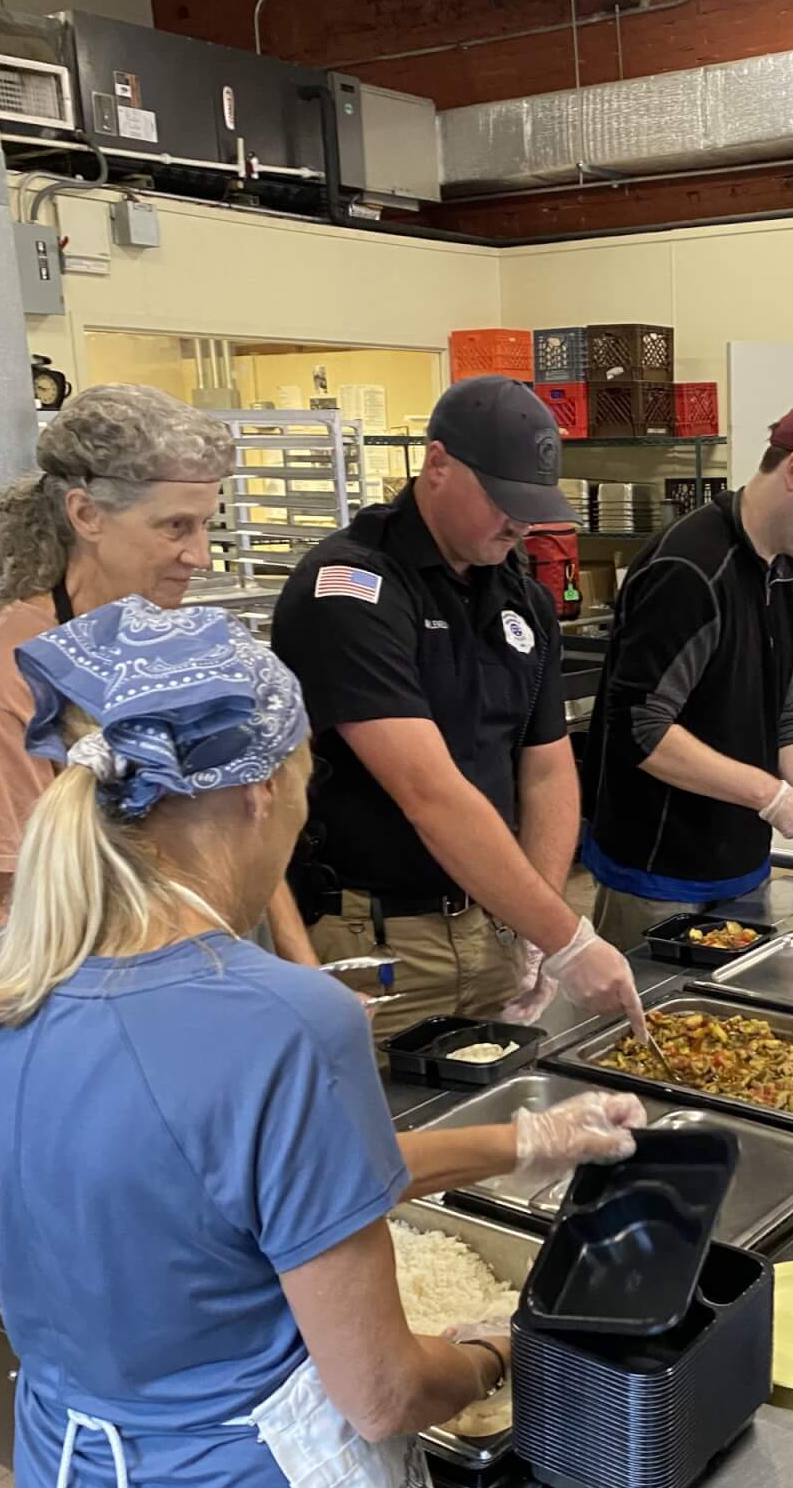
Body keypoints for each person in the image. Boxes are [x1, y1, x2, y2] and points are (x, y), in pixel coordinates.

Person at [0, 599, 646, 1488]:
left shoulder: (7, 976)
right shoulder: (281, 1022)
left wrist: (520, 1142)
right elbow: (378, 1387)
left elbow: (242, 1187)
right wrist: (494, 1353)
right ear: (269, 784)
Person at [272, 375, 644, 1039]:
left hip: (496, 927)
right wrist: (567, 938)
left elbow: (548, 767)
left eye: (532, 504)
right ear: (436, 464)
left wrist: (537, 919)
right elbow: (430, 793)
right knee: (393, 1134)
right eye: (503, 500)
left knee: (504, 1126)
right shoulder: (351, 591)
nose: (520, 522)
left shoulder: (519, 595)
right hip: (383, 946)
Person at [0, 384, 314, 974]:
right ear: (85, 514)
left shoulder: (164, 641)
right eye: (175, 527)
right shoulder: (8, 676)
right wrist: (153, 998)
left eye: (206, 524)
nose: (201, 555)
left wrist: (299, 971)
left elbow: (243, 828)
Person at [580, 397, 793, 952]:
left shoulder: (788, 576)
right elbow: (642, 730)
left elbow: (783, 718)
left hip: (741, 862)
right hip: (661, 869)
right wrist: (772, 797)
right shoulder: (690, 569)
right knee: (647, 1030)